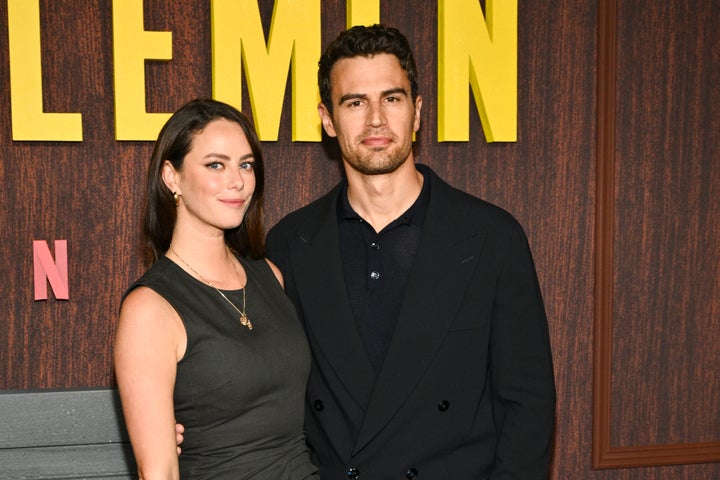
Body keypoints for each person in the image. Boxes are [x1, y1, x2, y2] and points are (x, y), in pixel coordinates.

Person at [263, 25, 556, 479]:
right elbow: (264, 385)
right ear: (327, 118)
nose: (376, 119)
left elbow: (528, 404)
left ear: (417, 112)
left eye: (392, 98)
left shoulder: (492, 238)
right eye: (355, 102)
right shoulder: (289, 244)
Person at [114, 98, 319, 479]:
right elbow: (158, 471)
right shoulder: (150, 308)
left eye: (245, 165)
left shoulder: (269, 275)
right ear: (172, 177)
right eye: (215, 165)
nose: (237, 181)